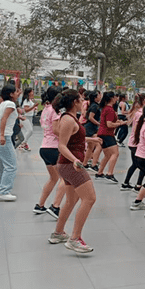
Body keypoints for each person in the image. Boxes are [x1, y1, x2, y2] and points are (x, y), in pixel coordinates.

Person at [47, 89, 102, 253]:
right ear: (74, 102)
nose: (83, 102)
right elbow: (62, 145)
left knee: (71, 201)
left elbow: (73, 138)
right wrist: (75, 160)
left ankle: (58, 233)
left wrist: (91, 139)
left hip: (68, 165)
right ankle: (75, 238)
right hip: (70, 165)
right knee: (90, 198)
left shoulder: (71, 119)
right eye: (80, 99)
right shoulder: (69, 120)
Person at [34, 86, 65, 219]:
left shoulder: (46, 109)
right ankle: (55, 207)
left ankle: (40, 205)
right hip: (54, 147)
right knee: (65, 178)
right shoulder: (55, 111)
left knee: (53, 178)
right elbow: (57, 130)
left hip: (45, 147)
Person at [0, 84, 22, 201]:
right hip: (3, 136)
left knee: (1, 166)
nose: (17, 94)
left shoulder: (3, 103)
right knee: (11, 166)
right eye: (15, 92)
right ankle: (4, 191)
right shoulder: (10, 104)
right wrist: (3, 135)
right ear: (11, 94)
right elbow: (4, 119)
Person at [95, 91, 125, 183]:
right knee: (115, 153)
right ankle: (110, 173)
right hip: (107, 134)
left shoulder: (105, 108)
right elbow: (109, 124)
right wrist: (119, 123)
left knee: (107, 155)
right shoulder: (110, 110)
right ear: (112, 98)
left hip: (102, 133)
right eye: (115, 97)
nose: (116, 99)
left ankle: (100, 172)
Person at [121, 93, 145, 191]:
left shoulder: (138, 112)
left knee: (136, 164)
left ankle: (126, 183)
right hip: (137, 143)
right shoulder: (141, 113)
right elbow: (139, 128)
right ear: (144, 101)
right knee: (142, 165)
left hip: (134, 142)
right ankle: (138, 186)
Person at [83, 91, 102, 172]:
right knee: (98, 145)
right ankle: (94, 164)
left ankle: (85, 163)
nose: (100, 96)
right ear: (95, 98)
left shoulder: (94, 105)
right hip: (90, 128)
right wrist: (98, 124)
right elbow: (91, 117)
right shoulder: (94, 106)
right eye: (99, 95)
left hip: (91, 128)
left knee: (91, 147)